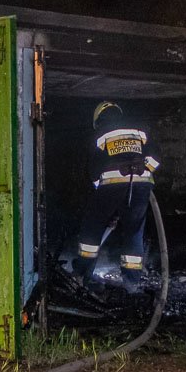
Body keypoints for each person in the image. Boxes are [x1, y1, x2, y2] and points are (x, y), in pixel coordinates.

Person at [73, 101, 160, 291]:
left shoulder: (100, 134)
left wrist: (100, 193)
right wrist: (143, 168)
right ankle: (132, 283)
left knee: (93, 227)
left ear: (98, 119)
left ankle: (81, 274)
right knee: (134, 231)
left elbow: (93, 169)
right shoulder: (140, 130)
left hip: (110, 185)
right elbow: (155, 158)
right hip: (141, 185)